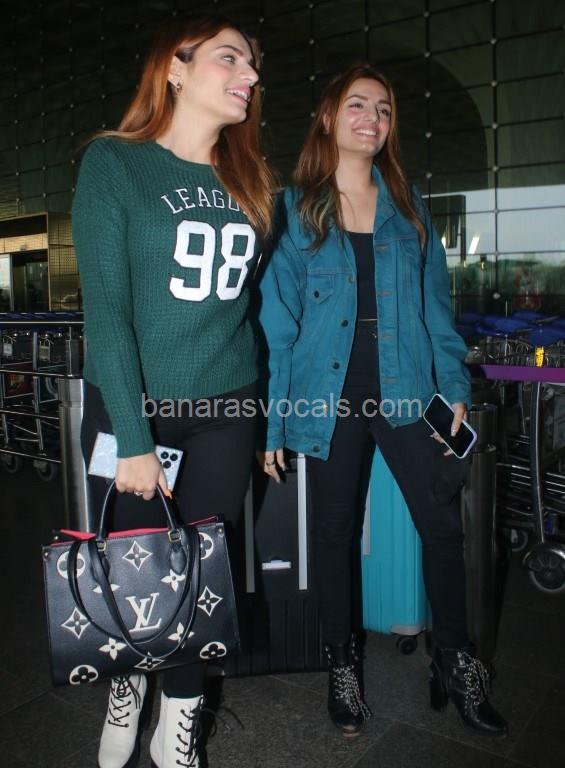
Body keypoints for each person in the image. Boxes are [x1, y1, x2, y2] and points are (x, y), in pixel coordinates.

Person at [258, 64, 507, 739]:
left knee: (443, 527)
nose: (372, 119)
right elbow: (278, 325)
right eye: (358, 105)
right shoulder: (294, 208)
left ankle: (454, 661)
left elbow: (435, 309)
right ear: (327, 116)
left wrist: (452, 386)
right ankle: (341, 667)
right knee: (334, 533)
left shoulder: (407, 205)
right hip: (328, 395)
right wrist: (275, 420)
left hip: (407, 389)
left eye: (385, 109)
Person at [72, 14, 274, 768]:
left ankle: (179, 726)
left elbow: (245, 307)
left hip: (226, 406)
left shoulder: (250, 180)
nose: (250, 75)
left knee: (201, 576)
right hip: (134, 410)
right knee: (138, 573)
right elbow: (108, 314)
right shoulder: (115, 163)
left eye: (252, 65)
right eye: (231, 58)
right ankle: (127, 685)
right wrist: (132, 439)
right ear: (176, 68)